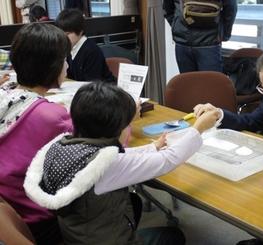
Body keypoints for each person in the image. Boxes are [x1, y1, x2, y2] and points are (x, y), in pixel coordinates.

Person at [24, 82, 219, 244]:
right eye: (128, 123)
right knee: (172, 237)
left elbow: (113, 157)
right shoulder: (108, 166)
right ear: (118, 128)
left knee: (133, 202)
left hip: (77, 234)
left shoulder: (62, 147)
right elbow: (168, 160)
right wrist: (198, 128)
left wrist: (152, 148)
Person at [0, 23, 72, 244]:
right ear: (52, 66)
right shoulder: (51, 116)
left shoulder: (5, 96)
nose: (67, 65)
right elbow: (100, 147)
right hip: (42, 219)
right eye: (63, 59)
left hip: (11, 208)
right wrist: (125, 120)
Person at [163, 0, 237, 73]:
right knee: (212, 83)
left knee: (188, 82)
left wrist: (177, 26)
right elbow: (231, 8)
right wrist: (224, 34)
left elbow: (167, 8)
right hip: (210, 40)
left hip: (183, 40)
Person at [55, 8, 116, 83]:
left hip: (102, 90)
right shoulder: (69, 47)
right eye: (61, 34)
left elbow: (92, 84)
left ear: (80, 31)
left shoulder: (91, 51)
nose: (63, 38)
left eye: (67, 34)